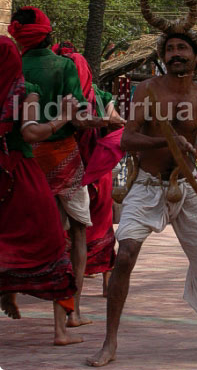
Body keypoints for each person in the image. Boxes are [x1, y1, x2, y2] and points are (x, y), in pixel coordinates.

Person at [87, 0, 197, 367]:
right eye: (169, 49)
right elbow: (128, 138)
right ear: (162, 56)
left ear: (196, 57)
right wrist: (164, 139)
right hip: (149, 184)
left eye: (182, 48)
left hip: (187, 188)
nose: (174, 53)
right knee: (126, 254)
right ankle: (110, 342)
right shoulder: (145, 89)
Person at [8, 7, 107, 327]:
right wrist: (107, 121)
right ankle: (71, 311)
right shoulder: (64, 66)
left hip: (23, 161)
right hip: (62, 158)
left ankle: (11, 285)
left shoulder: (14, 67)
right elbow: (79, 116)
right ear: (47, 34)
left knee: (33, 230)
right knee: (76, 232)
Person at [0, 36, 82, 346]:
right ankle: (61, 331)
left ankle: (7, 291)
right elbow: (31, 131)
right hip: (20, 175)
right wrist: (64, 116)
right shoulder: (24, 92)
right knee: (51, 244)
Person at [53, 42, 125, 297]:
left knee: (71, 228)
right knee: (95, 226)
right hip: (88, 169)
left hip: (66, 167)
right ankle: (95, 287)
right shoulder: (95, 95)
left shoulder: (52, 92)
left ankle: (67, 290)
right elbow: (115, 121)